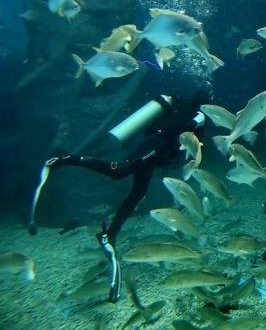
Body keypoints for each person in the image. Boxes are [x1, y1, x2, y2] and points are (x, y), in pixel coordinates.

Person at [28, 92, 206, 303]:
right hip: (154, 147)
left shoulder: (185, 111)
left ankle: (111, 234)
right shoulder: (195, 115)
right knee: (118, 171)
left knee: (137, 194)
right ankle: (64, 158)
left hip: (156, 154)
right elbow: (185, 141)